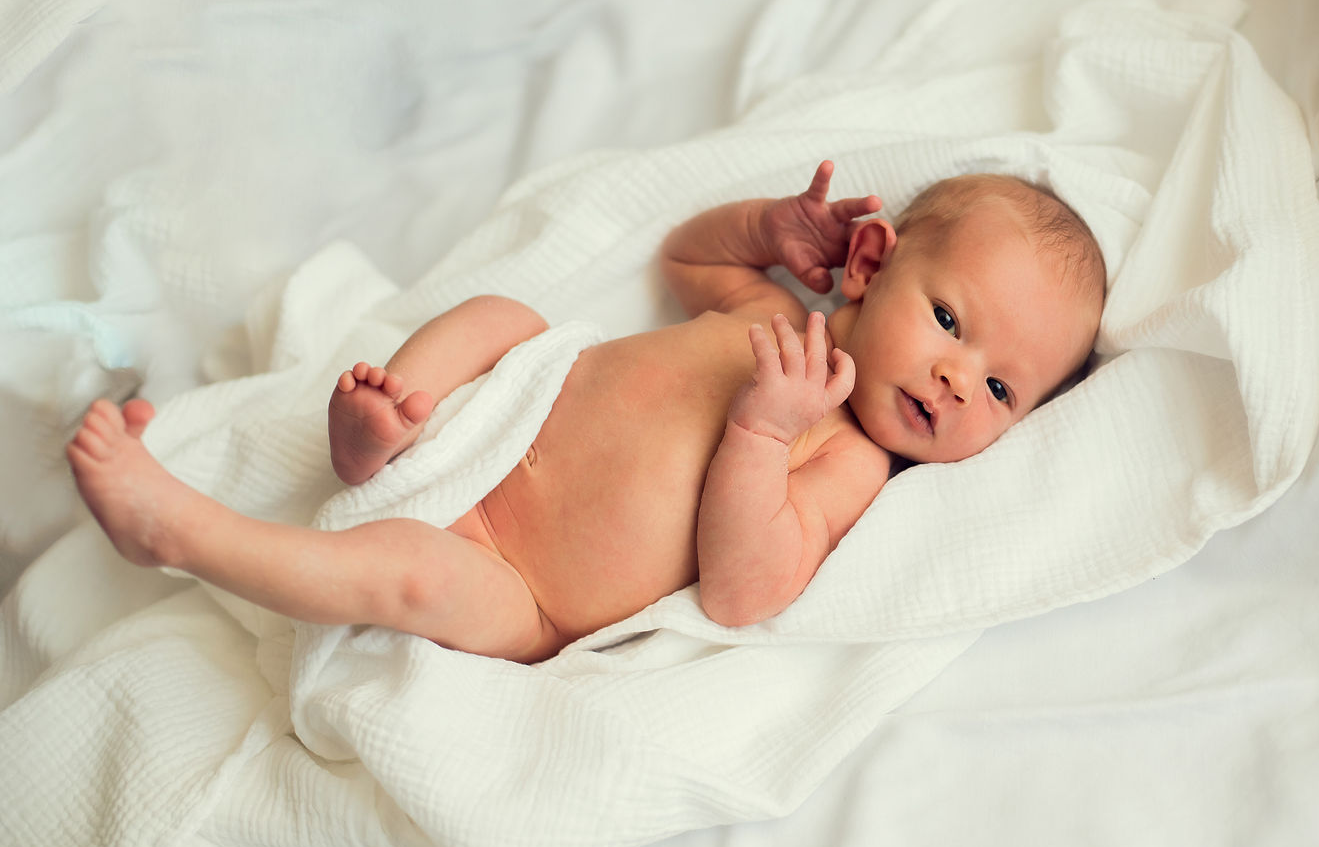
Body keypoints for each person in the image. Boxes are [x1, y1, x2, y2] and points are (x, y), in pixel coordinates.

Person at [66, 161, 1105, 663]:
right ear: (871, 265)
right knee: (503, 311)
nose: (961, 381)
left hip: (522, 581)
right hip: (502, 419)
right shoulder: (772, 307)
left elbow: (745, 591)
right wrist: (766, 228)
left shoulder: (847, 463)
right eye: (949, 320)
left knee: (407, 574)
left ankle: (182, 531)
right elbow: (686, 256)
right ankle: (389, 424)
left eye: (1004, 390)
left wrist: (764, 430)